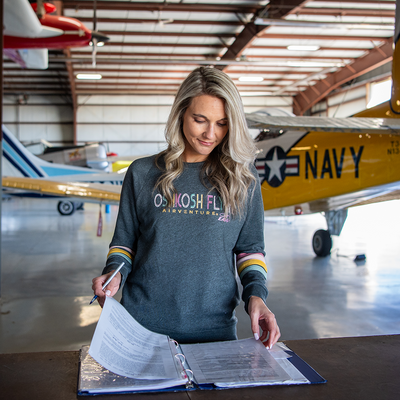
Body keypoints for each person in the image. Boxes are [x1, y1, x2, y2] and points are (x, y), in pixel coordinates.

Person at [92, 66, 280, 349]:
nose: (211, 134)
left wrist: (256, 296)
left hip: (214, 331)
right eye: (200, 120)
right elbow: (124, 244)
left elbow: (250, 250)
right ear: (181, 114)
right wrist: (114, 272)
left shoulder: (244, 178)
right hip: (142, 329)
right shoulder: (142, 173)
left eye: (222, 123)